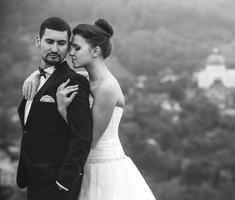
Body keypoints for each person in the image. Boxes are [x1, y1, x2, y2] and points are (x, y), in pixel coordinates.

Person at [23, 18, 156, 200]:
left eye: (76, 48)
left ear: (95, 51)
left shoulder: (107, 88)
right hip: (84, 166)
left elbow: (90, 140)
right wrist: (35, 74)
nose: (70, 53)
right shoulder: (87, 79)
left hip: (104, 166)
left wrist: (63, 111)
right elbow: (53, 73)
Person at [17, 17, 93, 200]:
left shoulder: (74, 81)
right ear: (38, 41)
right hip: (33, 178)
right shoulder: (34, 80)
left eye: (61, 43)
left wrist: (64, 181)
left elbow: (83, 137)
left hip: (56, 185)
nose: (54, 49)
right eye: (49, 41)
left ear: (68, 46)